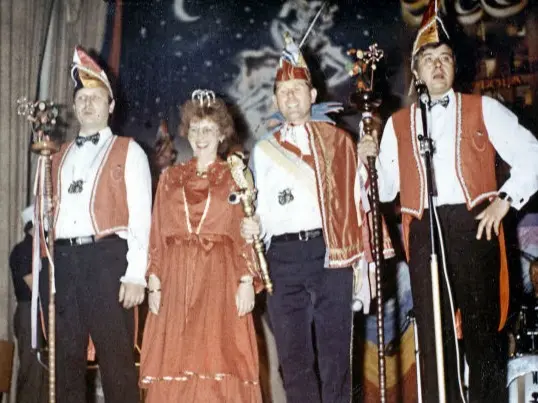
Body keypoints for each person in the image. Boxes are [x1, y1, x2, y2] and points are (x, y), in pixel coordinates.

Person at [357, 1, 538, 401]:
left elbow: (533, 154)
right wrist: (367, 160)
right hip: (423, 231)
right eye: (428, 59)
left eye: (445, 57)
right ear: (416, 71)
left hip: (475, 226)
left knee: (483, 335)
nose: (437, 65)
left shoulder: (483, 109)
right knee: (434, 336)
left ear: (455, 66)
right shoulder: (398, 124)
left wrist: (505, 201)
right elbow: (383, 190)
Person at [241, 33, 393, 403]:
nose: (291, 97)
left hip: (330, 255)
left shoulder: (340, 141)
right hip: (281, 259)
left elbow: (365, 198)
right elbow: (257, 209)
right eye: (283, 91)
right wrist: (252, 224)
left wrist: (369, 161)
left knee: (335, 359)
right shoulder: (262, 152)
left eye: (298, 89)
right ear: (275, 100)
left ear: (312, 95)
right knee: (294, 362)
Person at [36, 46, 152, 403]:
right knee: (65, 364)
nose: (88, 104)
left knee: (116, 364)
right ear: (74, 105)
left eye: (96, 98)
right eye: (82, 98)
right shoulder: (56, 155)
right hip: (64, 264)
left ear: (111, 105)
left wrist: (136, 274)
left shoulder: (129, 151)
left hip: (107, 261)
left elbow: (142, 218)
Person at [139, 90, 263, 402]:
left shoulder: (236, 177)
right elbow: (157, 231)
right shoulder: (170, 178)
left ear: (221, 134)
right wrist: (154, 282)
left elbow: (243, 232)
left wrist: (246, 281)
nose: (200, 136)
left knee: (217, 361)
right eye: (194, 129)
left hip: (218, 278)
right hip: (176, 280)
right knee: (177, 362)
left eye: (208, 129)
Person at [10, 206, 47, 403]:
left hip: (37, 314)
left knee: (40, 374)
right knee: (31, 372)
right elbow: (35, 286)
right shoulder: (23, 250)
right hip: (28, 314)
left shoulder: (39, 250)